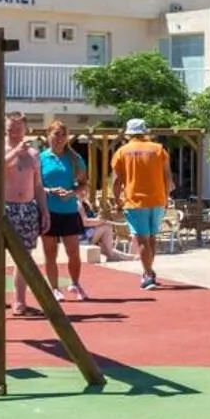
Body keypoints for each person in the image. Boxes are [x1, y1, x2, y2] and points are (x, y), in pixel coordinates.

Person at [110, 117, 172, 290]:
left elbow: (116, 180)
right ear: (144, 132)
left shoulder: (122, 152)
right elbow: (167, 176)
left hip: (135, 201)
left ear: (128, 133)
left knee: (142, 240)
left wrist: (117, 200)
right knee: (152, 238)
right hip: (158, 199)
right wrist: (166, 196)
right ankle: (149, 271)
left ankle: (148, 275)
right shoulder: (158, 149)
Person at [1, 111, 50, 316]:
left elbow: (38, 185)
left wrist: (44, 211)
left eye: (18, 129)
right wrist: (15, 151)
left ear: (26, 130)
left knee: (25, 257)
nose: (14, 133)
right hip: (6, 208)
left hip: (27, 208)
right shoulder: (0, 149)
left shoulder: (34, 155)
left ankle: (20, 302)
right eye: (11, 129)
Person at [39, 119, 90, 301]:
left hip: (69, 212)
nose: (60, 138)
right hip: (48, 212)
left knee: (73, 252)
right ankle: (54, 288)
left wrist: (73, 193)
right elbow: (34, 186)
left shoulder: (75, 159)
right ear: (48, 136)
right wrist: (50, 191)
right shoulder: (41, 158)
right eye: (56, 134)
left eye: (63, 135)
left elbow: (83, 184)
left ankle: (75, 283)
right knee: (50, 253)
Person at [81, 192, 128, 262]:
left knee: (108, 248)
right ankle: (111, 255)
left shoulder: (85, 203)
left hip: (88, 232)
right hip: (82, 235)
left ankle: (132, 257)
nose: (84, 192)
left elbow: (90, 220)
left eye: (85, 190)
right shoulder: (78, 204)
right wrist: (101, 221)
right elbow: (85, 222)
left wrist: (99, 219)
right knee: (107, 226)